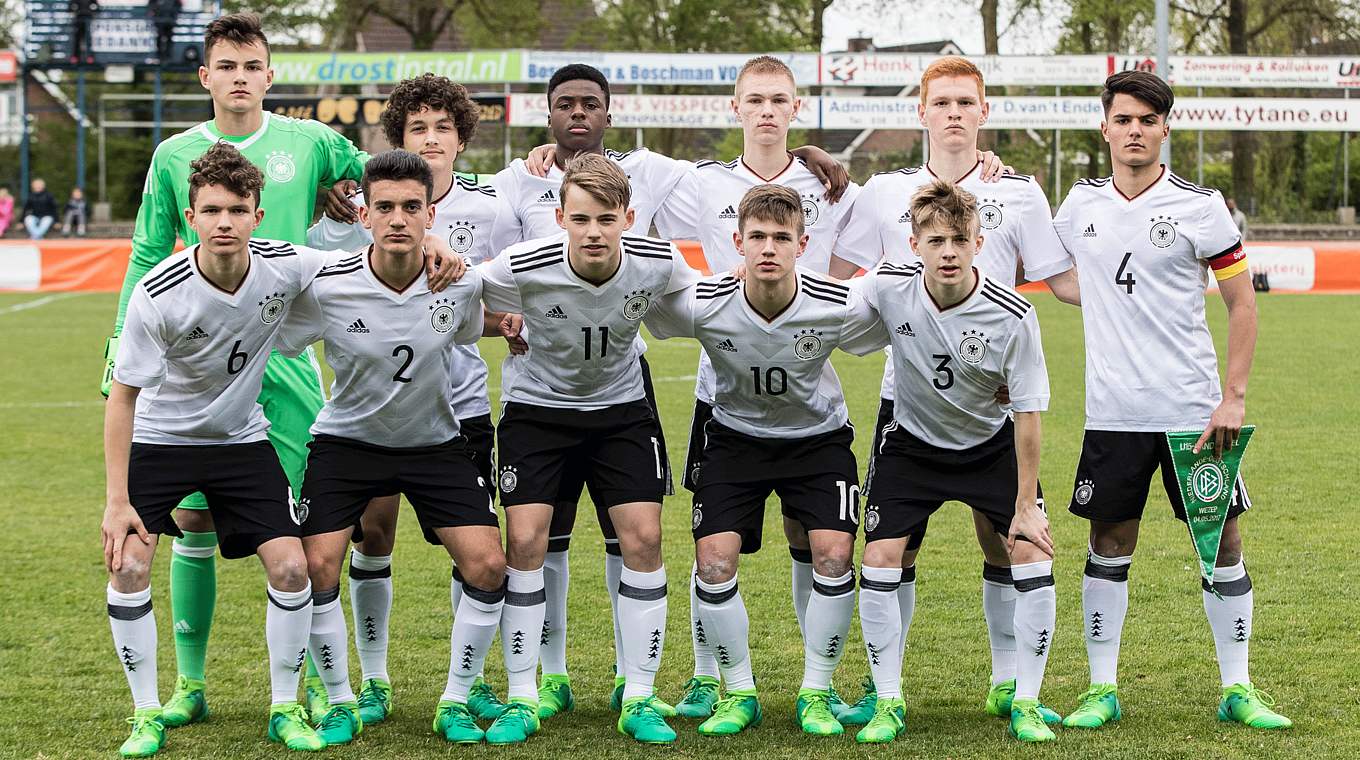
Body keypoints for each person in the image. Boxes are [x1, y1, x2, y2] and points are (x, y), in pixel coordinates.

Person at [101, 13, 403, 726]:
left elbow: (388, 180)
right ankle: (190, 685)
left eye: (252, 66)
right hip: (196, 359)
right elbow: (149, 252)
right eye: (227, 66)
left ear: (270, 76)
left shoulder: (308, 140)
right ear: (206, 77)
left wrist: (352, 195)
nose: (240, 78)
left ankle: (308, 694)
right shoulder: (174, 156)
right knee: (191, 522)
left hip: (284, 353)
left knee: (299, 534)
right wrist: (119, 348)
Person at [834, 54, 1076, 724]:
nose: (954, 114)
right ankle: (886, 692)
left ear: (984, 111)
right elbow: (837, 278)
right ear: (921, 111)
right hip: (907, 400)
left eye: (966, 103)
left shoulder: (1020, 194)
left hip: (990, 405)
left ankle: (1011, 684)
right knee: (891, 550)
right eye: (941, 103)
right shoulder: (885, 192)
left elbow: (1060, 281)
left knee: (1006, 540)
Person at [1053, 70, 1290, 731]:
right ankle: (1102, 689)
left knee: (1223, 543)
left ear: (1165, 129)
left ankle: (1238, 688)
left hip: (1193, 410)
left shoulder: (1201, 205)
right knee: (1108, 540)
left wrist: (1233, 398)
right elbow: (1048, 268)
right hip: (1114, 412)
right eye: (1123, 119)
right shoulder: (1079, 206)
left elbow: (1243, 305)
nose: (1135, 130)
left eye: (1147, 120)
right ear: (1105, 128)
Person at [100, 143, 337, 758]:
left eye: (237, 209)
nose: (225, 222)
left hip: (239, 440)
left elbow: (363, 263)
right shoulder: (158, 292)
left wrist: (434, 249)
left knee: (292, 567)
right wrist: (116, 501)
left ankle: (285, 707)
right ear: (191, 216)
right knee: (128, 564)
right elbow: (121, 397)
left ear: (259, 215)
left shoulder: (285, 265)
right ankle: (146, 713)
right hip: (162, 439)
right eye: (211, 210)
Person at [307, 73, 521, 727]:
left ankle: (468, 685)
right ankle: (365, 684)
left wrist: (493, 306)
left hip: (455, 413)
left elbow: (505, 286)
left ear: (461, 138)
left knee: (480, 557)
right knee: (369, 539)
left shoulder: (489, 209)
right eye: (417, 128)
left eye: (442, 128)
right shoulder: (348, 243)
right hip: (365, 420)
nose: (430, 138)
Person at [643, 185, 887, 737]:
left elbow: (900, 317)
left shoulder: (833, 304)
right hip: (733, 441)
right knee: (713, 565)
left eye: (782, 237)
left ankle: (817, 692)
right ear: (737, 243)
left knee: (832, 557)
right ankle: (739, 692)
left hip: (817, 443)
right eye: (757, 237)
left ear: (803, 243)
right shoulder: (706, 304)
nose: (769, 248)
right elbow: (641, 297)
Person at [475, 154, 700, 744]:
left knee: (645, 541)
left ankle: (641, 696)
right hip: (537, 413)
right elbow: (467, 288)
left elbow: (707, 301)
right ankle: (524, 696)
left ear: (629, 217)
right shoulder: (524, 264)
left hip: (621, 414)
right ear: (560, 217)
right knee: (524, 543)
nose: (593, 232)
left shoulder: (658, 261)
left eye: (605, 218)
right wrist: (501, 321)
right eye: (580, 219)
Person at [854, 179, 1058, 743]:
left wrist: (1025, 505)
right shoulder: (888, 287)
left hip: (988, 445)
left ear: (979, 243)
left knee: (1031, 552)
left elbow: (1028, 410)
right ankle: (888, 701)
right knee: (879, 559)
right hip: (912, 444)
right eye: (936, 239)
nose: (949, 251)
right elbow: (830, 315)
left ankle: (1024, 698)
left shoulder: (1013, 314)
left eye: (960, 240)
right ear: (913, 243)